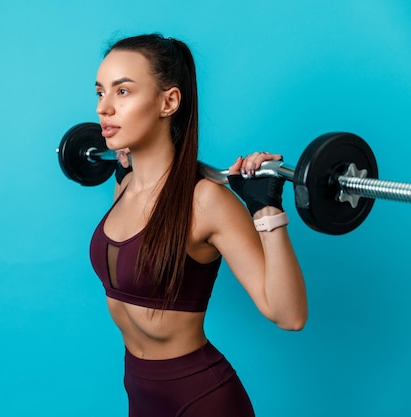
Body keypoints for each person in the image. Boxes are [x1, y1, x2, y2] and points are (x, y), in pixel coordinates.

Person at [89, 34, 308, 417]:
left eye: (122, 92)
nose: (104, 108)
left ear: (168, 101)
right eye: (100, 92)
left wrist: (265, 209)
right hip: (140, 393)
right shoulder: (122, 186)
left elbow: (289, 315)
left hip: (202, 399)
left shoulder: (206, 200)